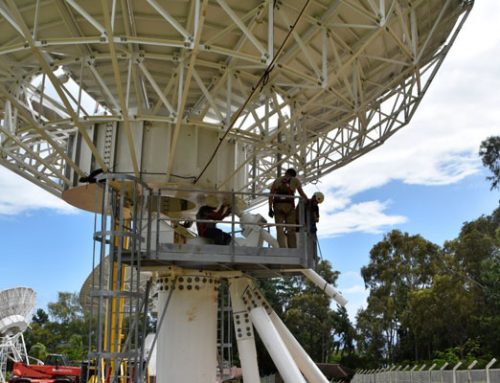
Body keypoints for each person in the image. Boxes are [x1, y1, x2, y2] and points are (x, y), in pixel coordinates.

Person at [268, 168, 308, 248]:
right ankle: (292, 248)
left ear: (286, 173)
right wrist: (307, 200)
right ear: (294, 175)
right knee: (291, 229)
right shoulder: (295, 180)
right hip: (289, 206)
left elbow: (271, 194)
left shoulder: (277, 180)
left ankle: (282, 248)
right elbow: (301, 193)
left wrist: (270, 208)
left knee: (279, 229)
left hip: (278, 206)